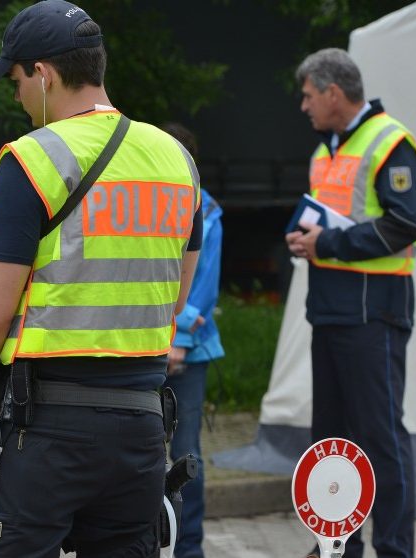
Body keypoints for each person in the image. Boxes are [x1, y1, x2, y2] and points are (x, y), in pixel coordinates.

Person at [0, 2, 203, 555]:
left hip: (41, 430)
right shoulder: (176, 160)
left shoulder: (34, 159)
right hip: (139, 430)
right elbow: (174, 294)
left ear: (43, 73)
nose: (17, 97)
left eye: (16, 80)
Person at [285, 48, 416, 558]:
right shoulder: (325, 151)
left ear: (333, 93)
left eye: (307, 96)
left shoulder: (391, 142)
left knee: (381, 440)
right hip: (330, 311)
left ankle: (394, 549)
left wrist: (327, 244)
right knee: (332, 444)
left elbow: (406, 224)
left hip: (375, 313)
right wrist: (305, 238)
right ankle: (336, 547)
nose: (303, 107)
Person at [160, 122, 225, 558]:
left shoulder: (209, 210)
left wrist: (179, 339)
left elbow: (203, 283)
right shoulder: (152, 204)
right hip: (146, 349)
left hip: (185, 354)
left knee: (186, 457)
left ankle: (190, 550)